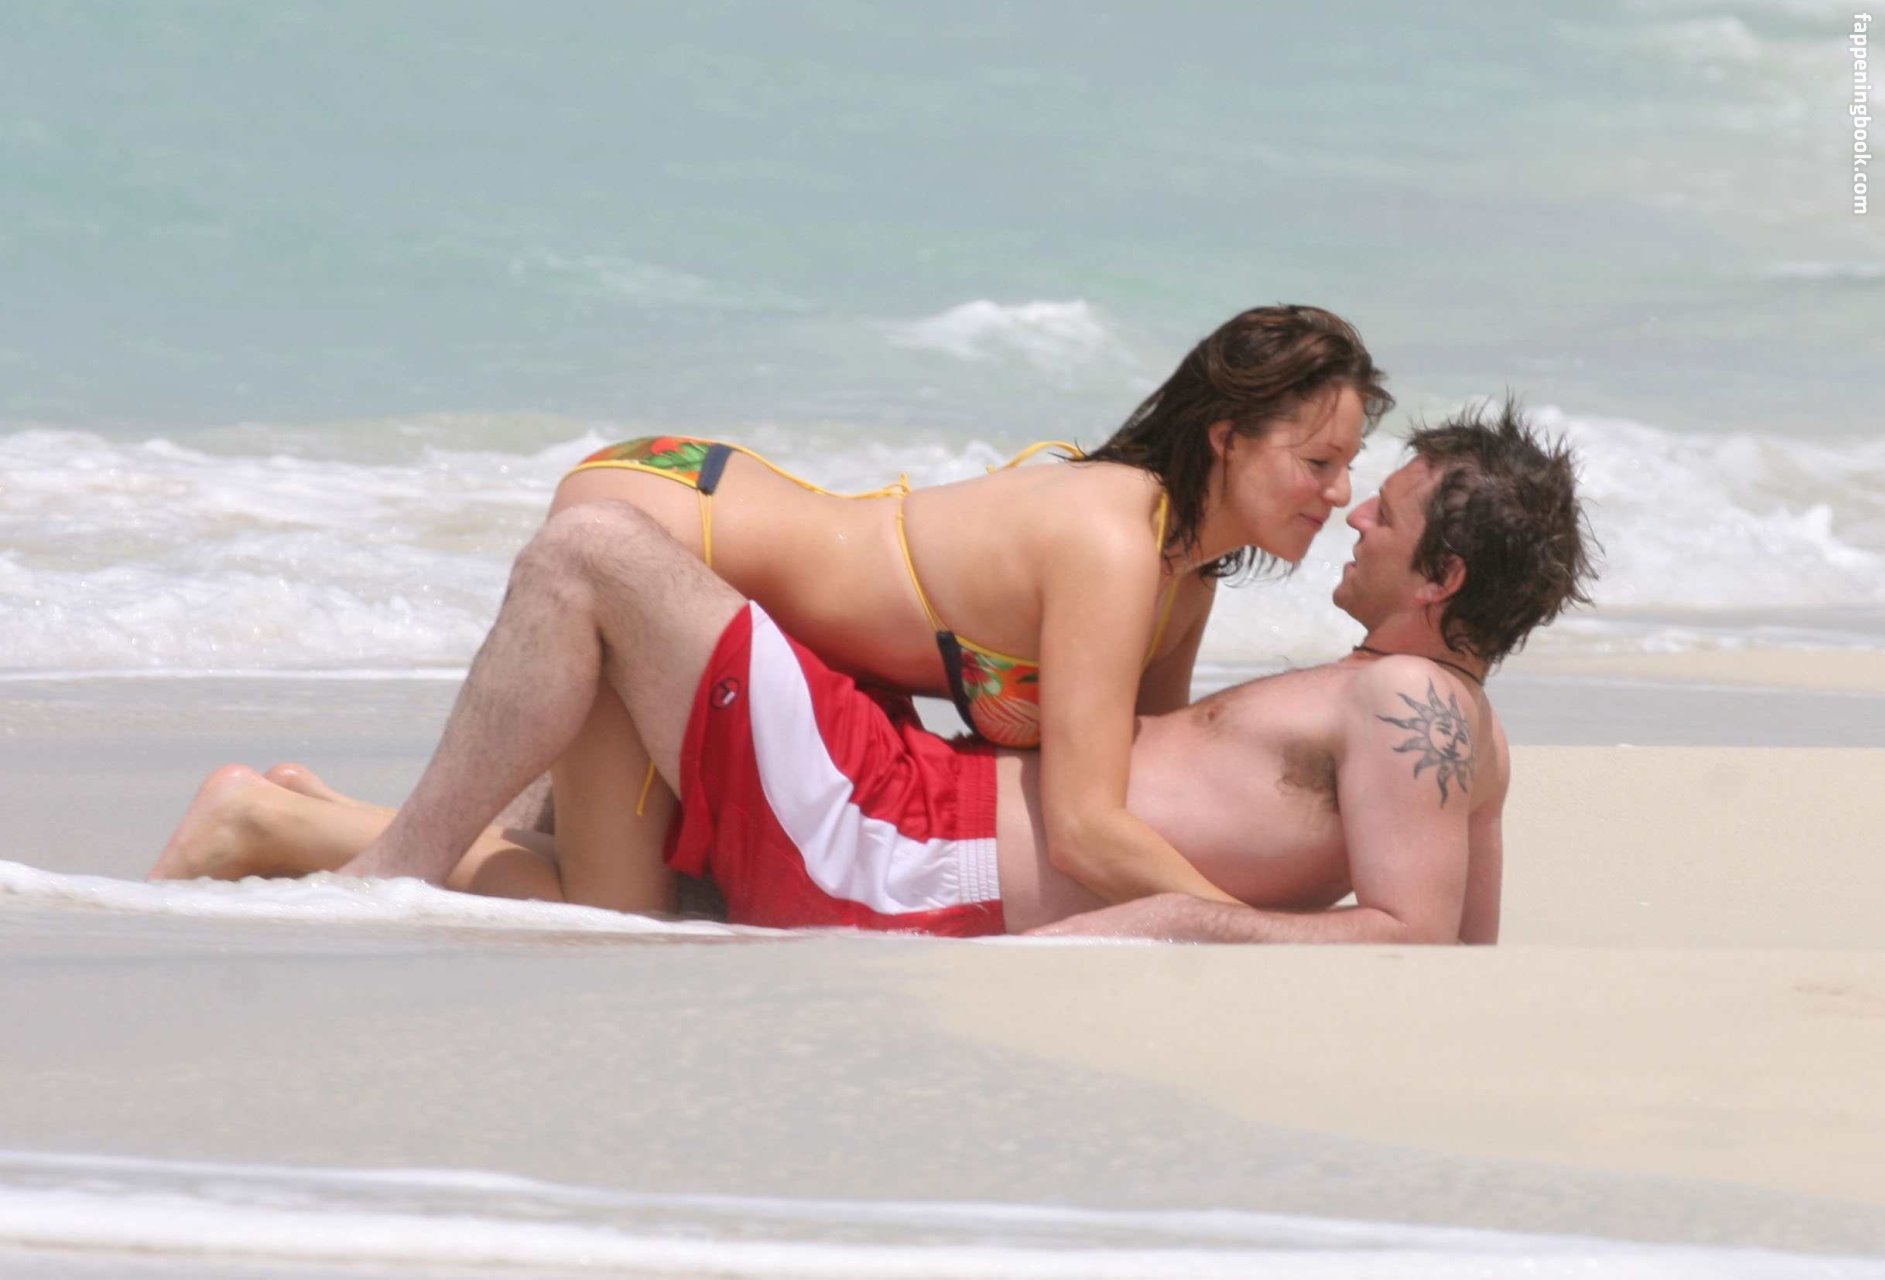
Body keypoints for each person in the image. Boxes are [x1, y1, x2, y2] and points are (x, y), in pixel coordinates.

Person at [152, 402, 1595, 943]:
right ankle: (276, 823)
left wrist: (1175, 925)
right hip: (914, 817)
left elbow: (1411, 945)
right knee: (631, 899)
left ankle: (382, 868)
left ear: (1441, 576)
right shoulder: (1453, 732)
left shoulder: (1411, 704)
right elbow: (1456, 942)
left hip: (907, 842)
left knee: (589, 550)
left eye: (1388, 510)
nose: (1355, 513)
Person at [473, 305, 1391, 910]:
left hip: (717, 554)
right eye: (1317, 463)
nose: (1340, 492)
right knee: (620, 911)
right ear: (1227, 439)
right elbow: (1083, 827)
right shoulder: (1116, 544)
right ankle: (384, 844)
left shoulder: (1183, 581)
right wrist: (1245, 936)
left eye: (1347, 465)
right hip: (674, 535)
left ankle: (406, 834)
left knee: (638, 884)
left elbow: (1140, 783)